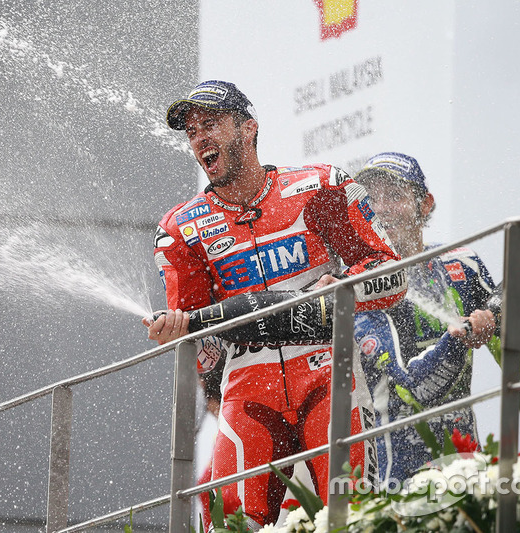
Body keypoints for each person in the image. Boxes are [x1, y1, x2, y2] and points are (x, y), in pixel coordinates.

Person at [142, 80, 407, 528]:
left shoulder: (320, 186)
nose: (199, 138)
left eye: (211, 124)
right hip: (247, 385)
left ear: (248, 129)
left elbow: (392, 275)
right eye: (191, 132)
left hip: (329, 370)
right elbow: (200, 342)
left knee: (353, 516)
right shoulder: (181, 230)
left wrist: (340, 289)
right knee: (228, 519)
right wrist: (181, 334)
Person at [352, 151, 520, 482]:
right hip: (393, 478)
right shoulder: (361, 285)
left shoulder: (464, 264)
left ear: (425, 204)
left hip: (465, 463)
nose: (382, 208)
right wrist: (458, 339)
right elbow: (406, 394)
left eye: (394, 195)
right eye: (371, 198)